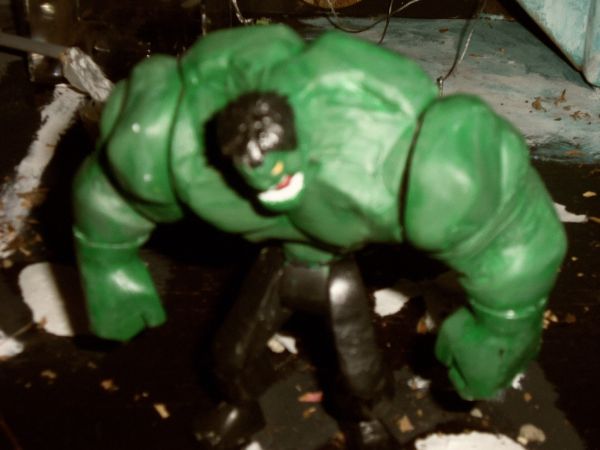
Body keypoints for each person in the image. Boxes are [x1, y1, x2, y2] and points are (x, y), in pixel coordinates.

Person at [72, 25, 566, 449]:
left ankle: (365, 418)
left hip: (335, 266)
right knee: (228, 356)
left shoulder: (391, 150)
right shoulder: (174, 146)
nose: (270, 181)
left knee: (359, 370)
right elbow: (111, 183)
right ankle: (241, 404)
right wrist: (107, 259)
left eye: (279, 167)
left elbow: (514, 230)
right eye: (252, 170)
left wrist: (503, 327)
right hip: (280, 261)